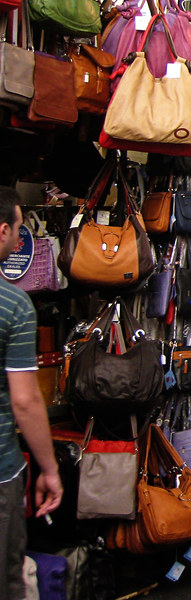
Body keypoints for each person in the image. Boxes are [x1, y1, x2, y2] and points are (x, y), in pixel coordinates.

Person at [0, 187, 62, 600]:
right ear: (2, 231)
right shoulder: (14, 305)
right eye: (19, 230)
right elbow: (24, 400)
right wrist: (49, 469)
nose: (20, 240)